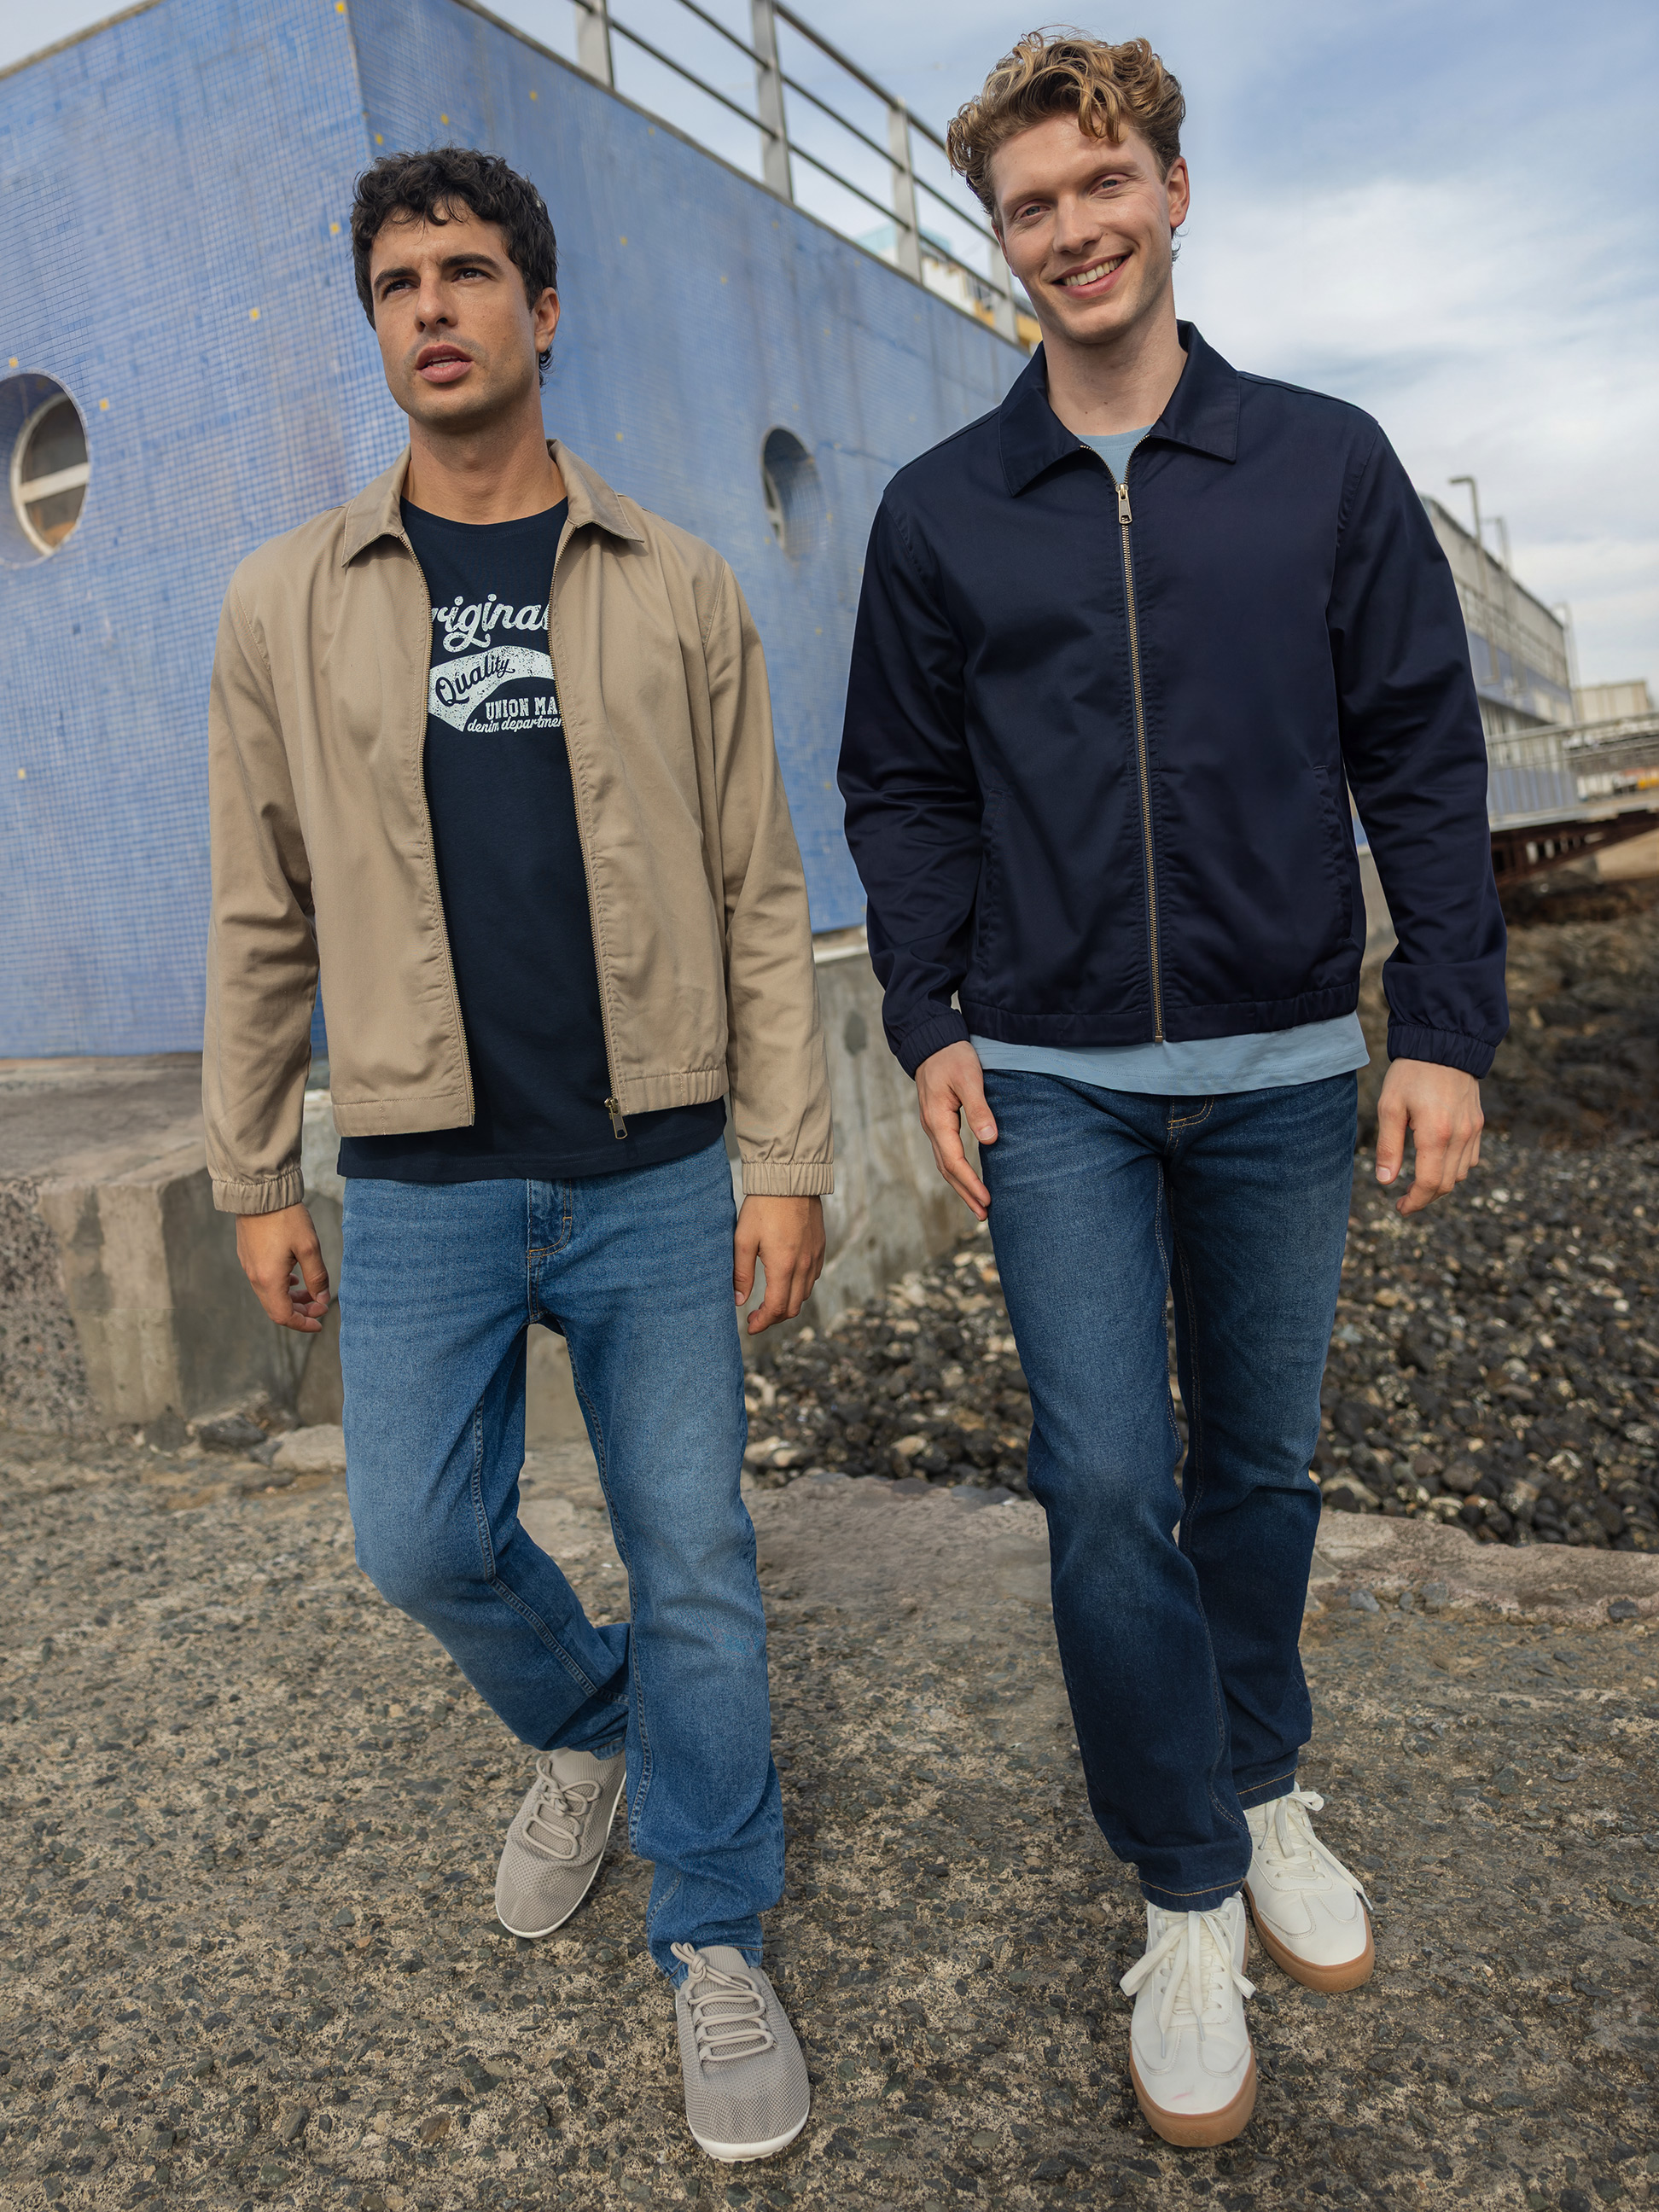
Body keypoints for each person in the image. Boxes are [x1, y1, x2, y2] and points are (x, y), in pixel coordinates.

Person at [838, 32, 1505, 2149]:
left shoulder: (1322, 461)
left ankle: (1264, 1771)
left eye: (1102, 183)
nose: (1073, 228)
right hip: (1054, 1079)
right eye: (1032, 203)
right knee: (1109, 1487)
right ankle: (1186, 1884)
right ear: (1003, 237)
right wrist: (928, 1021)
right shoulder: (943, 511)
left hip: (1299, 1061)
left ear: (1175, 190)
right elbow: (905, 786)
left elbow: (1421, 752)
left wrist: (1451, 1033)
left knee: (1270, 1471)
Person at [204, 146, 832, 2166]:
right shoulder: (284, 602)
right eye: (397, 284)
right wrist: (249, 1168)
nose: (433, 310)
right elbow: (257, 910)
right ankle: (598, 1730)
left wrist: (787, 1154)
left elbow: (757, 888)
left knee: (702, 1556)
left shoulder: (676, 582)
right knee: (419, 1539)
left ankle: (714, 1930)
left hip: (655, 1174)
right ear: (375, 323)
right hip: (417, 1180)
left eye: (470, 274)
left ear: (542, 313)